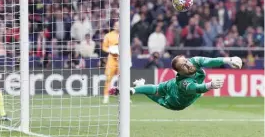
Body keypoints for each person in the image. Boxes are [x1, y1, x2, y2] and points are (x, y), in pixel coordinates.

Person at [110, 56, 242, 110]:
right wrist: (210, 85)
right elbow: (197, 88)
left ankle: (136, 88)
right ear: (179, 72)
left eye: (186, 61)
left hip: (176, 92)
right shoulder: (183, 83)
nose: (187, 65)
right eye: (183, 66)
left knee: (158, 88)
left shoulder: (194, 61)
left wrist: (228, 60)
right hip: (175, 101)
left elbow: (209, 61)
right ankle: (132, 90)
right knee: (157, 91)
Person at [102, 21, 119, 104]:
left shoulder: (124, 35)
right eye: (116, 25)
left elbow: (128, 47)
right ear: (114, 26)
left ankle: (125, 97)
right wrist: (110, 50)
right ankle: (106, 97)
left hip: (121, 60)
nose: (118, 27)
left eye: (119, 25)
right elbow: (104, 47)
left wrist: (129, 59)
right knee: (108, 79)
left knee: (124, 79)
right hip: (111, 59)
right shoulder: (108, 36)